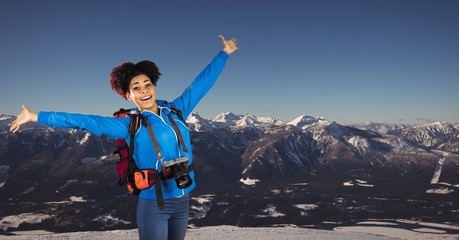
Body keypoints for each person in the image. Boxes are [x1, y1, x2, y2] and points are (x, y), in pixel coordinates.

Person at [9, 35, 238, 240]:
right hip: (154, 203)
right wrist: (35, 116)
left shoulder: (177, 111)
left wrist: (224, 53)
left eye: (147, 84)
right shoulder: (130, 124)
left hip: (183, 199)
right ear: (129, 95)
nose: (145, 90)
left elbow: (202, 84)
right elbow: (84, 121)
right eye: (137, 87)